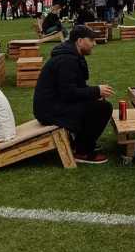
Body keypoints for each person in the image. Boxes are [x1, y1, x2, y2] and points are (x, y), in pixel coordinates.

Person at [33, 26, 113, 164]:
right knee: (103, 108)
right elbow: (68, 93)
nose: (94, 44)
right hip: (49, 110)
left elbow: (74, 89)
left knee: (98, 104)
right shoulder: (67, 60)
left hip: (53, 104)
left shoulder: (71, 55)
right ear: (80, 41)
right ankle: (82, 151)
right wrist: (96, 91)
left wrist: (94, 94)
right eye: (91, 40)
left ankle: (83, 142)